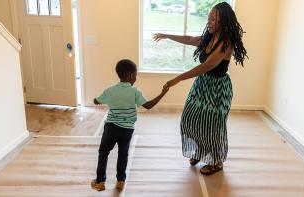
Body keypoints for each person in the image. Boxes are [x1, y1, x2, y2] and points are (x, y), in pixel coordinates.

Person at [153, 2, 247, 176]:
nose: (209, 22)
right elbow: (190, 39)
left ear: (224, 22)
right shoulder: (209, 37)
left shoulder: (226, 42)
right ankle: (199, 151)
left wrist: (177, 79)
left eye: (213, 19)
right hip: (202, 85)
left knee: (212, 125)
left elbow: (207, 65)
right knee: (191, 118)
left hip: (218, 89)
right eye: (208, 18)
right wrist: (167, 35)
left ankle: (216, 161)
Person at [91, 59, 168, 191]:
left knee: (104, 152)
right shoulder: (135, 91)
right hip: (127, 130)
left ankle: (100, 182)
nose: (136, 77)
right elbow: (148, 105)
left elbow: (96, 101)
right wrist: (163, 93)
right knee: (123, 154)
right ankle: (120, 181)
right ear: (131, 75)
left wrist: (96, 100)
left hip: (111, 127)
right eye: (136, 75)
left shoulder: (110, 90)